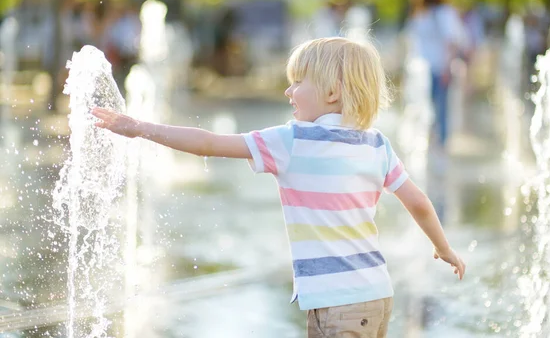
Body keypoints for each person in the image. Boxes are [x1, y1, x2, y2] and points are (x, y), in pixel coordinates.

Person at [92, 37, 465, 337]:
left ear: (332, 93)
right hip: (376, 296)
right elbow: (418, 202)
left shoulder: (292, 141)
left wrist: (140, 127)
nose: (289, 91)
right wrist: (443, 248)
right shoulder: (376, 143)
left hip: (337, 305)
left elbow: (207, 143)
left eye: (298, 82)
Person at [406, 0, 467, 150]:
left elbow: (451, 41)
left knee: (440, 107)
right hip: (424, 68)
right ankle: (431, 141)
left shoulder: (442, 13)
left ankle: (441, 143)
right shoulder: (423, 13)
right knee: (429, 106)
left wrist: (448, 67)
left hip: (440, 67)